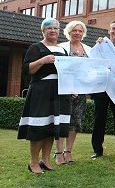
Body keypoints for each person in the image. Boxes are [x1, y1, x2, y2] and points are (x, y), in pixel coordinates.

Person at [18, 18, 71, 174]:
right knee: (39, 127)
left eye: (56, 28)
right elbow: (27, 70)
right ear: (43, 31)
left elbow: (67, 71)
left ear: (59, 31)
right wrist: (43, 60)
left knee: (52, 127)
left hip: (59, 91)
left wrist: (72, 87)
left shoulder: (63, 50)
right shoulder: (36, 47)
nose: (53, 30)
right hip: (41, 91)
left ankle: (45, 160)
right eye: (49, 28)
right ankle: (33, 161)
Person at [91, 20, 115, 160]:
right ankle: (97, 150)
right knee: (98, 121)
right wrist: (97, 44)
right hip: (101, 90)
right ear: (109, 31)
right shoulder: (100, 46)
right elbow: (92, 62)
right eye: (113, 28)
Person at [54, 21, 92, 164]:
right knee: (62, 121)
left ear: (83, 33)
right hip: (64, 91)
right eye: (74, 30)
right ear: (68, 32)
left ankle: (68, 151)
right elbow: (59, 69)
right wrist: (69, 88)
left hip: (81, 92)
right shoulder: (61, 47)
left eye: (80, 31)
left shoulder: (88, 49)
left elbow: (92, 70)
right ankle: (58, 152)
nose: (77, 33)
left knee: (76, 122)